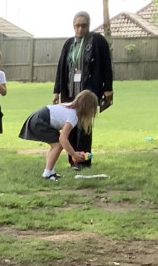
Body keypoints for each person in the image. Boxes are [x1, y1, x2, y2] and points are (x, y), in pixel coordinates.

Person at [53, 11, 112, 161]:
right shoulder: (69, 43)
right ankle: (73, 159)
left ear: (89, 25)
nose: (80, 29)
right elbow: (61, 67)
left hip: (87, 92)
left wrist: (108, 88)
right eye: (77, 26)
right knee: (70, 125)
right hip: (70, 91)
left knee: (84, 125)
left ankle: (84, 159)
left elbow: (106, 65)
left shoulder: (97, 41)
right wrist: (57, 91)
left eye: (83, 26)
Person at [19, 89, 99, 180]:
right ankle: (47, 173)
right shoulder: (73, 116)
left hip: (38, 118)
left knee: (56, 145)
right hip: (39, 121)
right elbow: (63, 138)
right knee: (58, 145)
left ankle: (50, 172)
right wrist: (73, 154)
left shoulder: (69, 106)